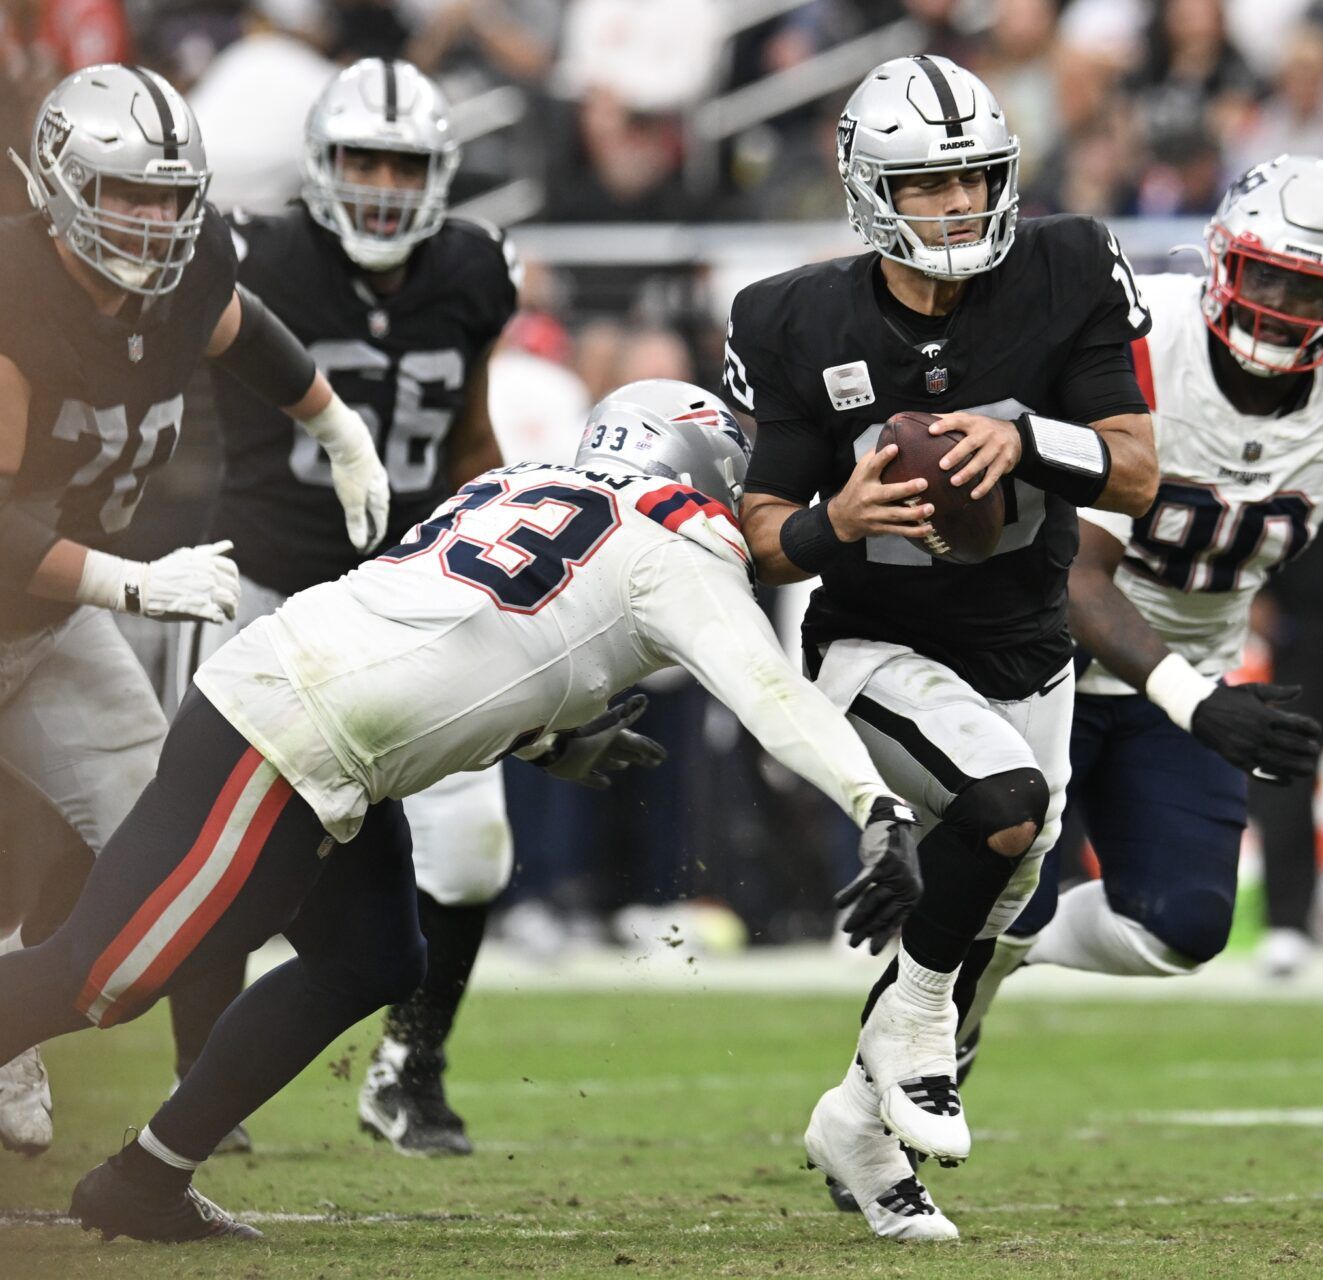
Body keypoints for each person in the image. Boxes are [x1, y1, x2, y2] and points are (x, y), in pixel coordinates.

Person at [0, 380, 925, 1243]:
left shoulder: (520, 480)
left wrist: (548, 739)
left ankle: (144, 1181)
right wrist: (872, 800)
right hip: (287, 734)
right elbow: (768, 689)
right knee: (107, 975)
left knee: (372, 958)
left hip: (311, 710)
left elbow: (473, 633)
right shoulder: (673, 540)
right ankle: (142, 1174)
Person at [723, 54, 1158, 1242]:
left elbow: (1136, 465)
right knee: (1005, 804)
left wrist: (1025, 435)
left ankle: (858, 1128)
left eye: (974, 177)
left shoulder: (1065, 266)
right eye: (929, 185)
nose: (960, 204)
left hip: (1029, 644)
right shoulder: (795, 316)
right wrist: (834, 522)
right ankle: (912, 1028)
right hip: (876, 643)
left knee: (1003, 903)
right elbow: (760, 539)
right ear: (873, 191)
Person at [957, 153, 1323, 1070]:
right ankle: (928, 1035)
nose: (1280, 306)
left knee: (1182, 927)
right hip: (1039, 663)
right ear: (1221, 258)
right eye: (1264, 275)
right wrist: (1199, 703)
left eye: (1308, 289)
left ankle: (995, 947)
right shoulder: (1138, 341)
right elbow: (1076, 579)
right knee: (1005, 885)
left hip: (1183, 675)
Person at [0, 64, 391, 1157]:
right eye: (130, 193)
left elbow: (236, 321)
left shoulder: (183, 270)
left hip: (40, 623)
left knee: (158, 850)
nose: (158, 219)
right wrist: (131, 582)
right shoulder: (13, 283)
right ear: (66, 184)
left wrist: (335, 426)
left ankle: (58, 1042)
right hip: (44, 591)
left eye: (172, 196)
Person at [162, 57, 521, 1160]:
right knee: (208, 854)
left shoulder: (473, 268)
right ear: (321, 165)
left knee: (472, 849)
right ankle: (199, 1089)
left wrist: (509, 562)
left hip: (413, 596)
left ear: (440, 174)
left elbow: (469, 437)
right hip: (263, 584)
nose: (378, 183)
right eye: (361, 158)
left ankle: (411, 1069)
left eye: (402, 163)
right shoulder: (256, 256)